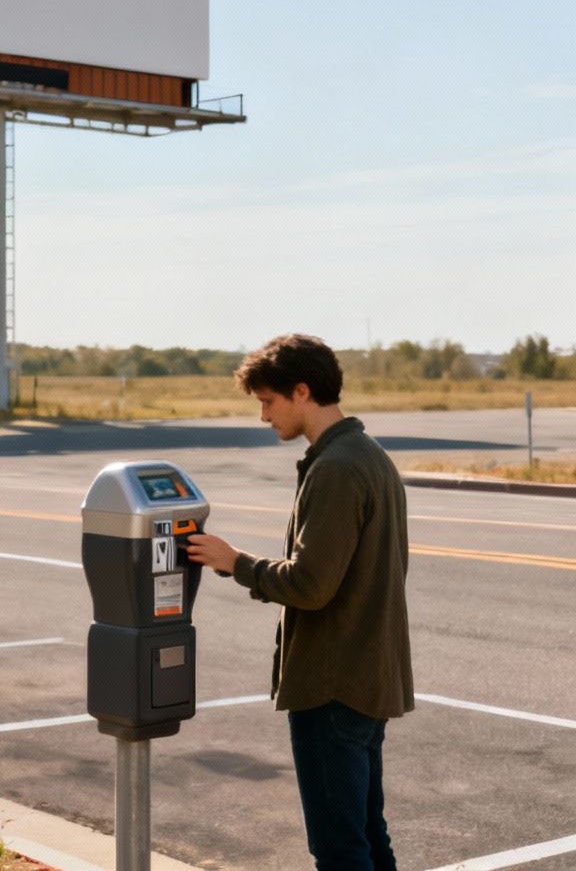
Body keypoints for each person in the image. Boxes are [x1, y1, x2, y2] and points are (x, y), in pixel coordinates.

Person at [186, 334, 413, 871]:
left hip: (334, 685)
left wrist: (234, 561)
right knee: (365, 832)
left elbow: (311, 585)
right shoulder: (368, 455)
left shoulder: (336, 468)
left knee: (339, 847)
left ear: (302, 391)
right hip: (367, 676)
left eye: (268, 401)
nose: (264, 416)